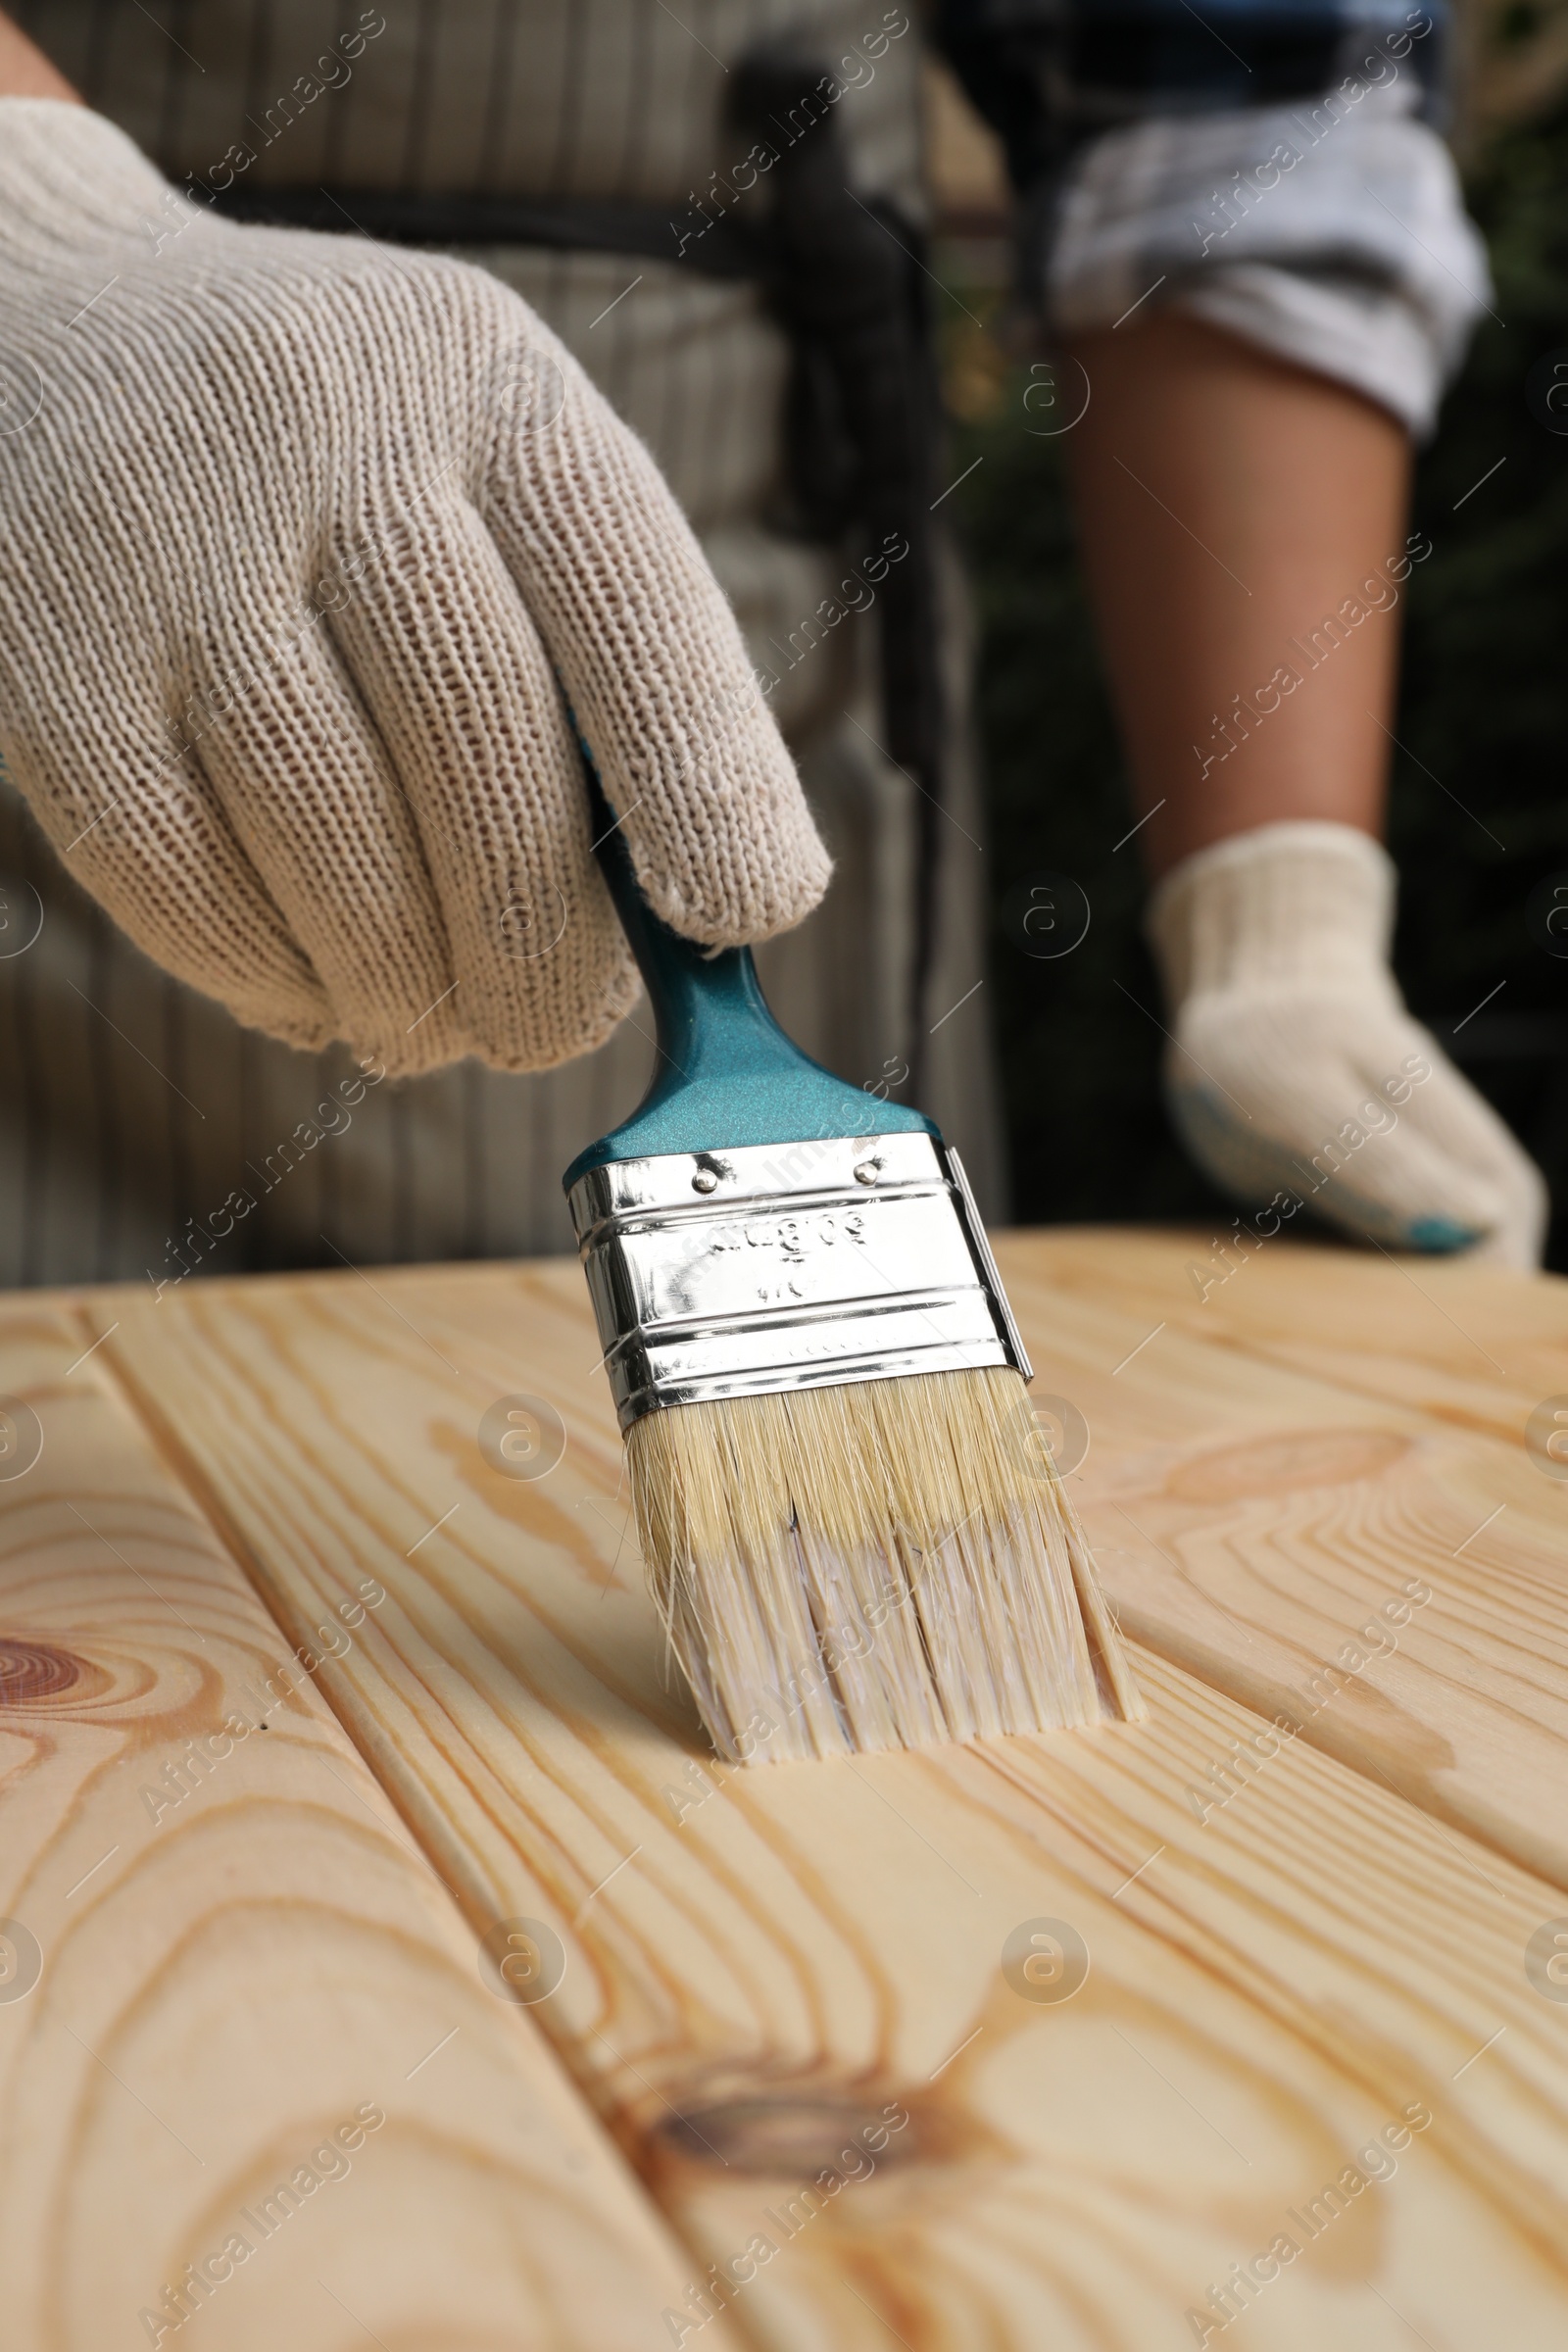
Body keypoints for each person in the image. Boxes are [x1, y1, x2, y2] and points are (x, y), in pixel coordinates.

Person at [0, 0, 1545, 1289]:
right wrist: (47, 242)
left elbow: (1233, 105)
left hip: (795, 569)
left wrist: (1277, 923)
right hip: (77, 518)